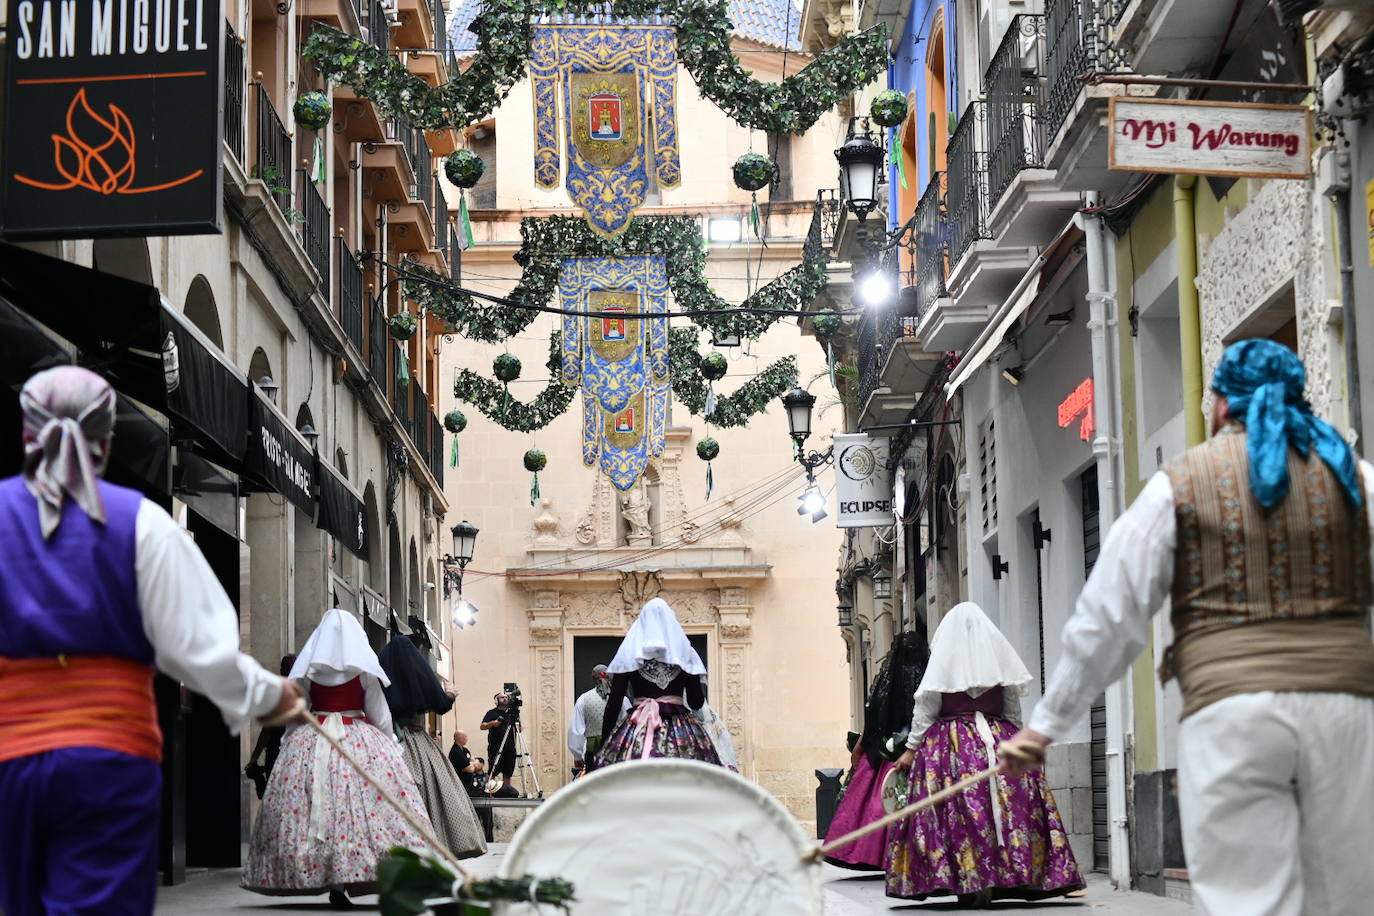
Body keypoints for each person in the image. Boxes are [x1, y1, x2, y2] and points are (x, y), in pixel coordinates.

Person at [1002, 339, 1374, 915]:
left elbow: (1108, 617)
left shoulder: (1180, 485)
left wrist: (1045, 726)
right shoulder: (1354, 480)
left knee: (1247, 899)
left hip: (1231, 717)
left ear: (1222, 404)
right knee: (1349, 897)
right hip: (1346, 713)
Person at [0, 366, 299, 916]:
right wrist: (272, 696)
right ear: (108, 441)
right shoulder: (144, 526)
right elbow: (201, 653)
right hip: (108, 762)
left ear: (25, 433)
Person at [886, 602, 1083, 905]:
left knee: (957, 814)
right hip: (997, 738)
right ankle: (1016, 875)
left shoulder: (943, 664)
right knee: (1012, 810)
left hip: (951, 748)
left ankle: (967, 877)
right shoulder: (998, 663)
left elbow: (926, 711)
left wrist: (912, 750)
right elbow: (1012, 710)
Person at [242, 608, 434, 905]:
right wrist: (390, 745)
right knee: (359, 811)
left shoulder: (309, 671)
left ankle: (330, 878)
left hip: (314, 739)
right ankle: (371, 871)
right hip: (356, 736)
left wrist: (290, 742)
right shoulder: (364, 671)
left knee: (322, 810)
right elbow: (379, 715)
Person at [823, 629, 929, 870]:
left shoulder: (886, 683)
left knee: (879, 801)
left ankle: (871, 853)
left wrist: (861, 747)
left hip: (885, 754)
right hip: (917, 750)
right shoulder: (927, 680)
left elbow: (874, 718)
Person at [377, 635, 486, 859]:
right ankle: (434, 842)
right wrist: (450, 694)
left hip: (387, 739)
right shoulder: (419, 675)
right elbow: (441, 704)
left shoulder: (380, 674)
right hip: (417, 741)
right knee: (431, 792)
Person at [592, 598, 721, 768]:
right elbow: (696, 702)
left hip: (637, 728)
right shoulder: (684, 653)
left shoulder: (630, 652)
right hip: (682, 731)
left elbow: (614, 704)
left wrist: (606, 743)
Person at [245, 653, 299, 798]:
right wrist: (254, 758)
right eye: (285, 668)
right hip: (278, 752)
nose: (286, 671)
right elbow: (267, 730)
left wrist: (254, 758)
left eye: (289, 668)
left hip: (293, 754)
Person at [567, 663, 628, 770]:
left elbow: (576, 730)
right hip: (617, 749)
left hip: (592, 751)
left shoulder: (583, 699)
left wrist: (577, 755)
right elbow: (629, 725)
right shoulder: (622, 699)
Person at [448, 731, 493, 840]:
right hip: (463, 787)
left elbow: (473, 765)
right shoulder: (456, 752)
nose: (467, 738)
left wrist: (470, 765)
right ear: (460, 738)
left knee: (487, 820)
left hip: (474, 789)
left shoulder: (465, 750)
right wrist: (470, 766)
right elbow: (471, 768)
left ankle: (489, 839)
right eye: (466, 736)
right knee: (472, 818)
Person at [480, 690, 518, 787]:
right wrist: (493, 723)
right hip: (495, 747)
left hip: (510, 748)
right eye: (502, 697)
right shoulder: (491, 713)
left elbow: (520, 728)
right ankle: (490, 793)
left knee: (508, 773)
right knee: (493, 772)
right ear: (496, 700)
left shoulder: (512, 714)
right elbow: (482, 726)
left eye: (506, 697)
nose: (505, 698)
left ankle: (507, 793)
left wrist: (517, 725)